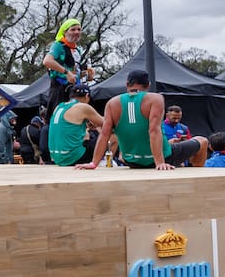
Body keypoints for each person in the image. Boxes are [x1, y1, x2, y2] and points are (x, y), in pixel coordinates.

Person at [78, 70, 208, 171]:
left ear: (127, 85)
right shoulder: (155, 99)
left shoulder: (112, 103)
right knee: (202, 141)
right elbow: (153, 130)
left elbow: (105, 134)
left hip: (130, 160)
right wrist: (160, 163)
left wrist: (93, 163)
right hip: (160, 158)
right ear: (148, 85)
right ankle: (197, 179)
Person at [39, 18, 95, 160]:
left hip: (73, 89)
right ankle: (53, 153)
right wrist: (66, 72)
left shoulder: (78, 50)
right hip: (59, 88)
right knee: (57, 118)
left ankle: (74, 148)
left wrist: (87, 74)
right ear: (65, 32)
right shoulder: (58, 46)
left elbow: (75, 72)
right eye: (73, 29)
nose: (76, 32)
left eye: (78, 29)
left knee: (77, 118)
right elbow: (47, 61)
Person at [47, 83, 104, 165]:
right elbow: (105, 122)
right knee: (111, 135)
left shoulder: (59, 106)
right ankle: (106, 161)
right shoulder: (82, 107)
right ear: (87, 96)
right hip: (73, 157)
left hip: (56, 157)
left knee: (86, 136)